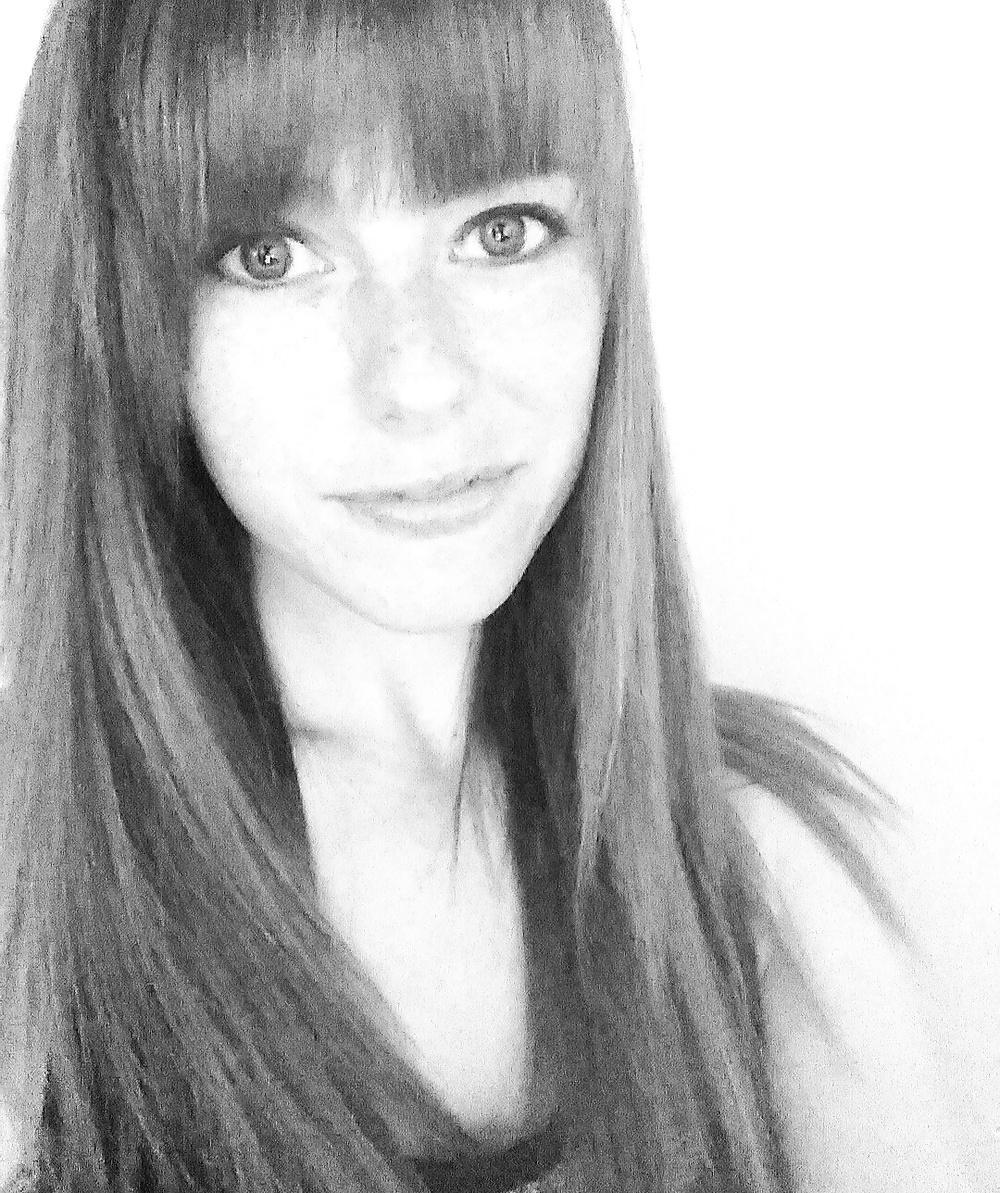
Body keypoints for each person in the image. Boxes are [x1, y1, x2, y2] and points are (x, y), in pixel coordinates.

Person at [0, 1, 957, 1191]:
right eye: (270, 255)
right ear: (125, 320)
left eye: (502, 232)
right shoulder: (35, 881)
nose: (418, 380)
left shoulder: (758, 863)